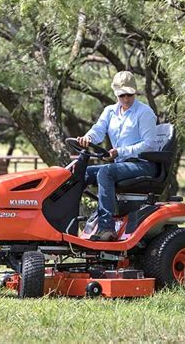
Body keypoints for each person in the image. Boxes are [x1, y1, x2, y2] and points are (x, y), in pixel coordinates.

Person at [77, 71, 158, 241]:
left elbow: (148, 144)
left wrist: (120, 151)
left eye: (129, 94)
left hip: (143, 164)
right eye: (122, 95)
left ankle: (107, 228)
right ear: (116, 93)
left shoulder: (144, 113)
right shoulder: (110, 111)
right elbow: (98, 130)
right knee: (81, 173)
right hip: (122, 165)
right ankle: (71, 222)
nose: (126, 99)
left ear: (135, 92)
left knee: (105, 172)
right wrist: (88, 138)